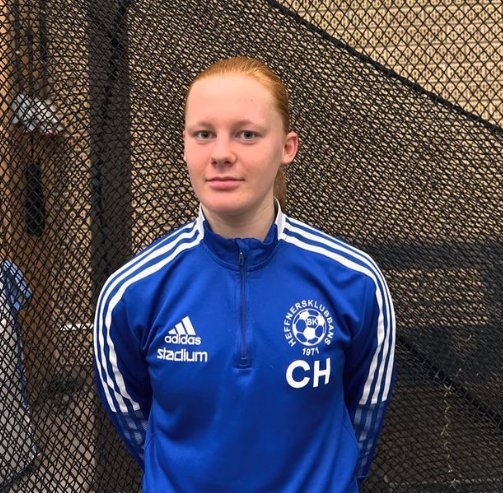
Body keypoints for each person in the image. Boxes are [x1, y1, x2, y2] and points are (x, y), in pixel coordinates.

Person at [94, 56, 395, 493]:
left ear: (287, 148)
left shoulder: (355, 281)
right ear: (185, 146)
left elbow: (364, 413)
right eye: (203, 134)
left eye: (246, 134)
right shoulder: (131, 293)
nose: (221, 154)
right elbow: (134, 419)